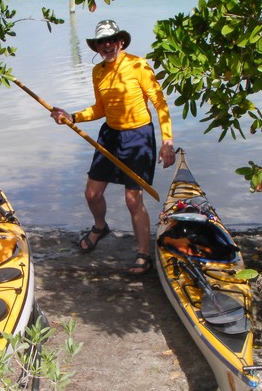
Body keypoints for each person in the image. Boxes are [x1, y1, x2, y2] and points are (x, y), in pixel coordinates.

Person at [51, 19, 176, 275]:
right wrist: (72, 117)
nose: (107, 45)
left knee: (133, 200)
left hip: (139, 138)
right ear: (97, 47)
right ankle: (100, 227)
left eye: (111, 40)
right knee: (92, 194)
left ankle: (144, 254)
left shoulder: (138, 65)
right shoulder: (98, 72)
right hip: (110, 136)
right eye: (101, 42)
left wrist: (167, 141)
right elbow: (100, 108)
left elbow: (160, 103)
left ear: (120, 42)